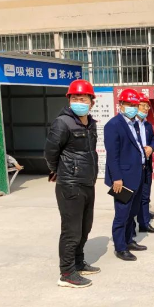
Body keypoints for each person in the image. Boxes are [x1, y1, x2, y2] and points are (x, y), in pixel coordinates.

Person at [44, 79, 99, 288]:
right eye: (75, 98)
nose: (79, 102)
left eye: (83, 98)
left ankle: (78, 262)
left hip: (87, 182)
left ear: (92, 102)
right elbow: (50, 153)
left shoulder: (90, 123)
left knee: (85, 227)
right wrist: (58, 171)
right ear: (69, 100)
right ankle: (66, 273)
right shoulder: (62, 123)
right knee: (71, 230)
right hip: (70, 184)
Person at [104, 88, 148, 261]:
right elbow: (112, 155)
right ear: (120, 104)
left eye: (135, 105)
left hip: (137, 175)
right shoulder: (113, 125)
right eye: (129, 104)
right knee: (122, 214)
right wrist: (116, 178)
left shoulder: (134, 124)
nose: (132, 107)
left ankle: (129, 240)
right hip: (122, 179)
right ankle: (120, 247)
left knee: (132, 212)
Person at [135, 93, 154, 234]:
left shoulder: (148, 125)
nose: (145, 109)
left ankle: (144, 223)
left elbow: (153, 140)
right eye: (142, 106)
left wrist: (151, 147)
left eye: (147, 106)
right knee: (132, 197)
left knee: (145, 196)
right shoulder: (130, 125)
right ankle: (130, 227)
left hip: (147, 166)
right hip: (133, 167)